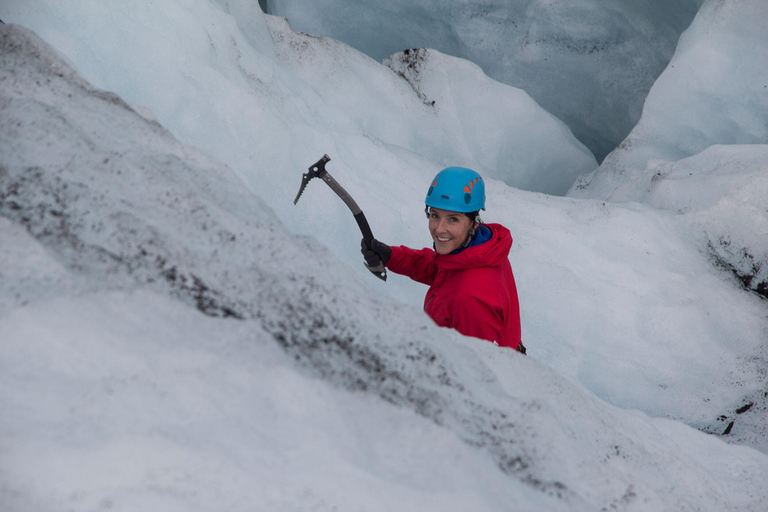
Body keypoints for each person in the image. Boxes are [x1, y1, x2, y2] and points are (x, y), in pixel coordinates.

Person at [362, 167, 524, 353]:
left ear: (474, 221)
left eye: (453, 219)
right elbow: (441, 267)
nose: (439, 229)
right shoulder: (482, 249)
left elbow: (482, 371)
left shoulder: (470, 300)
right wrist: (392, 256)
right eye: (435, 215)